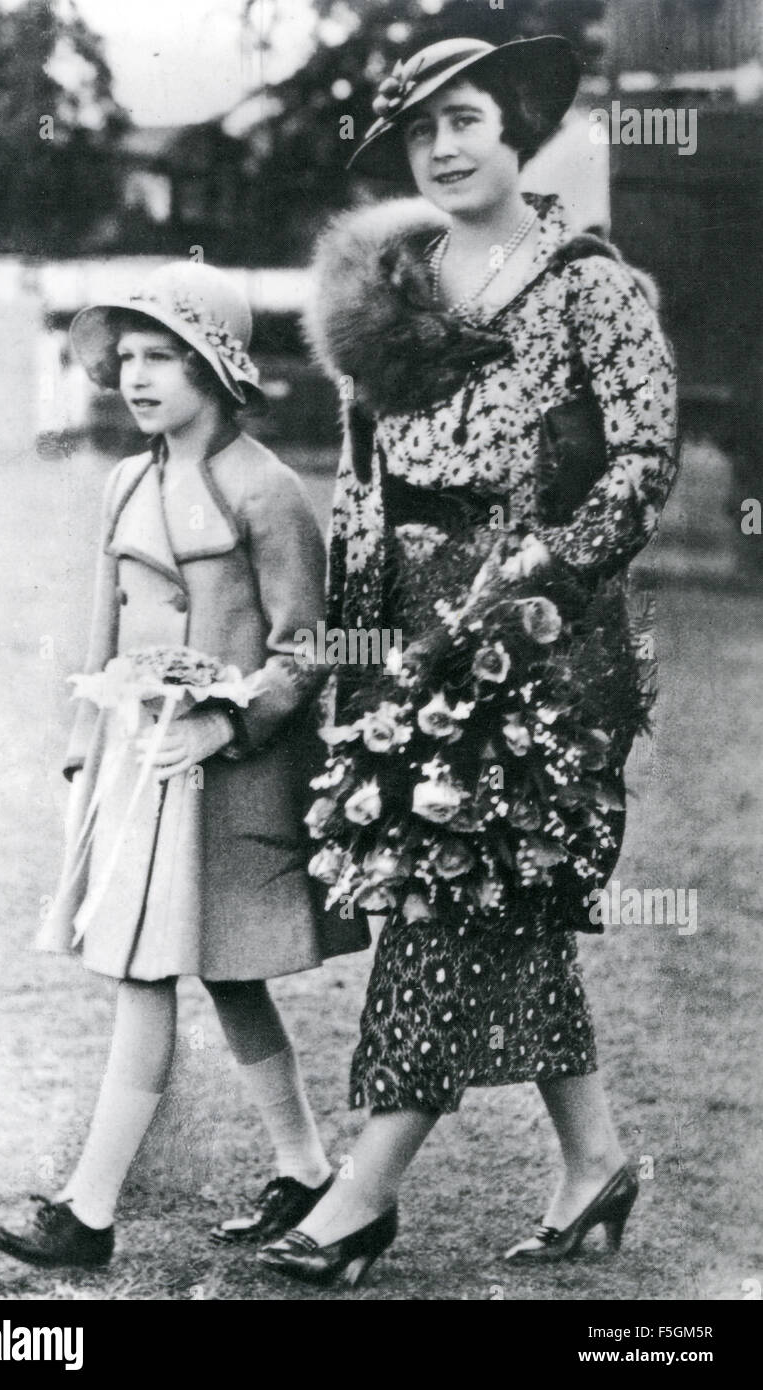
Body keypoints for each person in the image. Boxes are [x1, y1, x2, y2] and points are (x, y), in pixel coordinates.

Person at [258, 36, 679, 1288]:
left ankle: (362, 1193)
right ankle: (593, 1155)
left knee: (455, 892)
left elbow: (642, 464)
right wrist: (356, 659)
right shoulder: (387, 287)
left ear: (524, 127)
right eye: (421, 128)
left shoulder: (590, 285)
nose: (443, 147)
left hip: (546, 640)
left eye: (469, 120)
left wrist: (534, 577)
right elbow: (362, 495)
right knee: (496, 896)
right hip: (411, 640)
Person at [0, 261, 366, 1269]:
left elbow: (305, 649)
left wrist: (224, 730)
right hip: (134, 763)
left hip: (227, 778)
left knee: (184, 971)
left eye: (165, 356)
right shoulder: (123, 479)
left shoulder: (268, 490)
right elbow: (102, 628)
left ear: (216, 367)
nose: (140, 376)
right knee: (182, 974)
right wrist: (83, 759)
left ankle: (87, 1211)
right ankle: (309, 1168)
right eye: (130, 357)